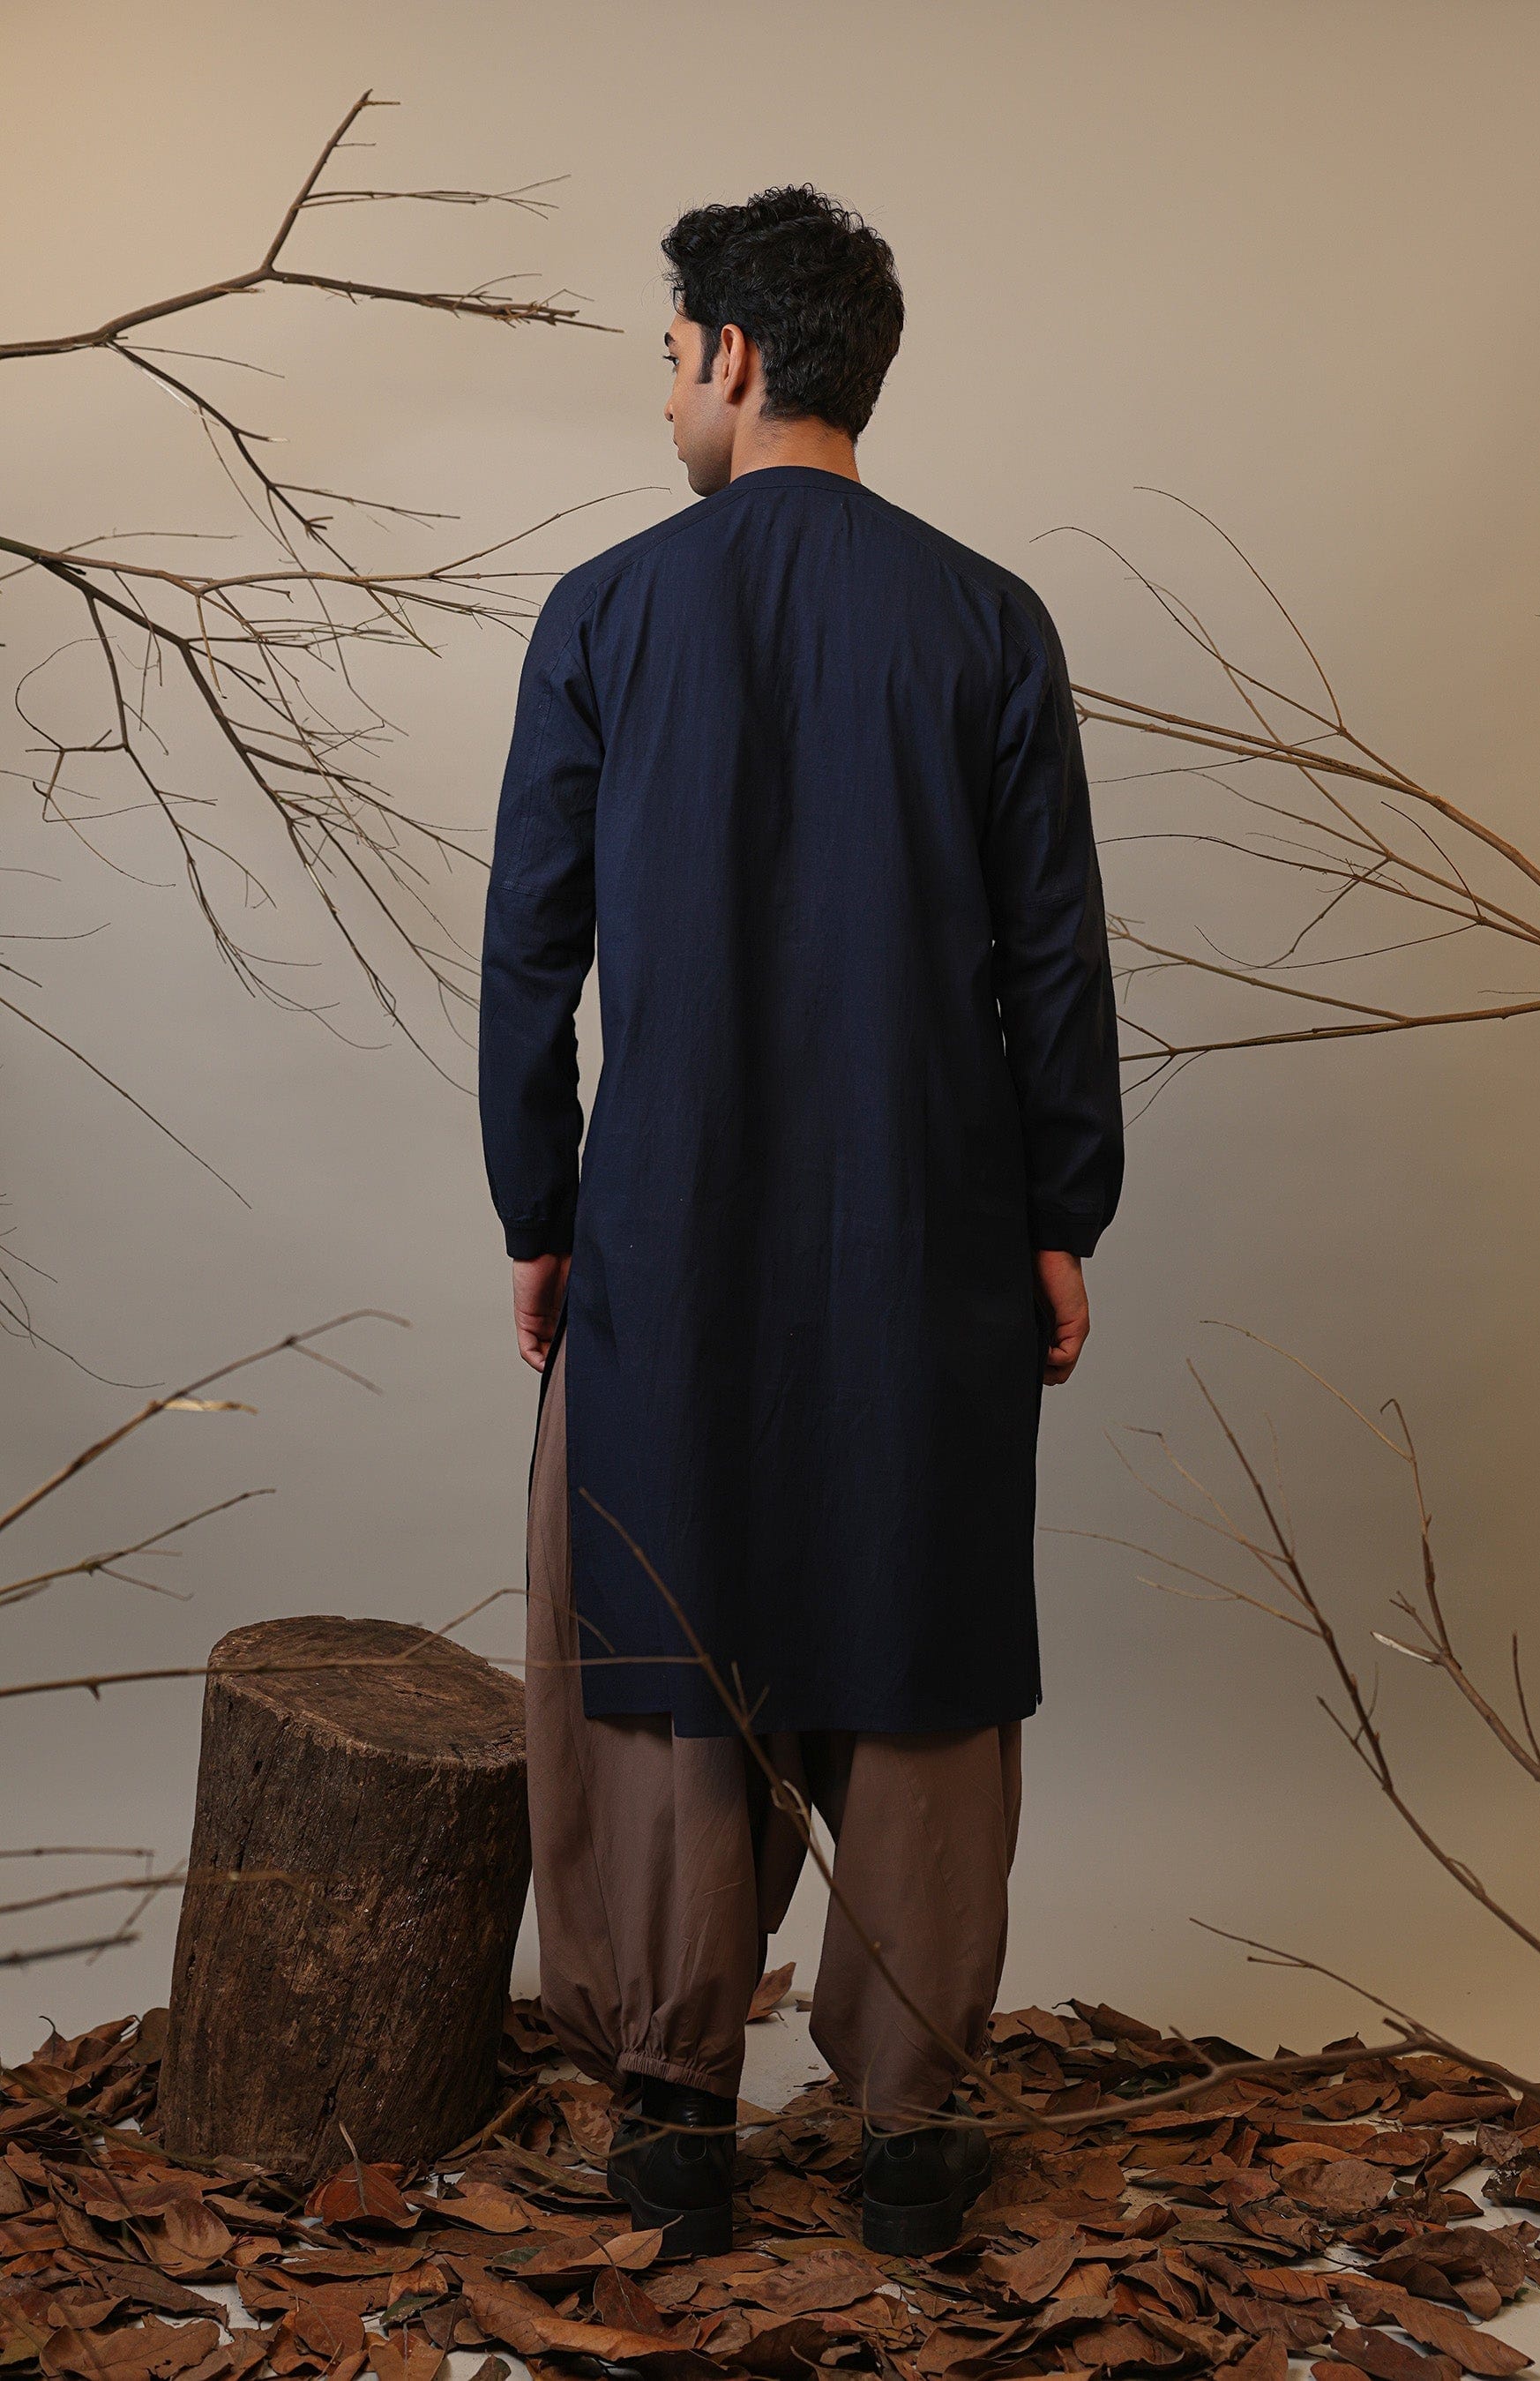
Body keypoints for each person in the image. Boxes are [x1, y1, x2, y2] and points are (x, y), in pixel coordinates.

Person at [478, 186, 1124, 2258]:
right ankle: (911, 2132)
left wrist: (539, 1205)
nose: (666, 394)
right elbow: (1057, 960)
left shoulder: (603, 613)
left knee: (670, 1616)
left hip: (664, 1220)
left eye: (671, 357)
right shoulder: (989, 622)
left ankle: (676, 2108)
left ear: (736, 358)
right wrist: (1062, 1210)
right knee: (920, 1628)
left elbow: (531, 953)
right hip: (929, 1217)